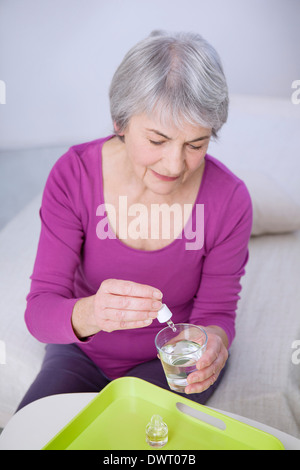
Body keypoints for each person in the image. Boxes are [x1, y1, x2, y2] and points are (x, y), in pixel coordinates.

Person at [17, 30, 252, 411]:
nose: (175, 165)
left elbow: (216, 317)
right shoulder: (74, 177)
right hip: (81, 354)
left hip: (172, 362)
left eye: (196, 145)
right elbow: (40, 311)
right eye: (158, 140)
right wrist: (91, 312)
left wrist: (214, 344)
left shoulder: (229, 200)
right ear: (120, 122)